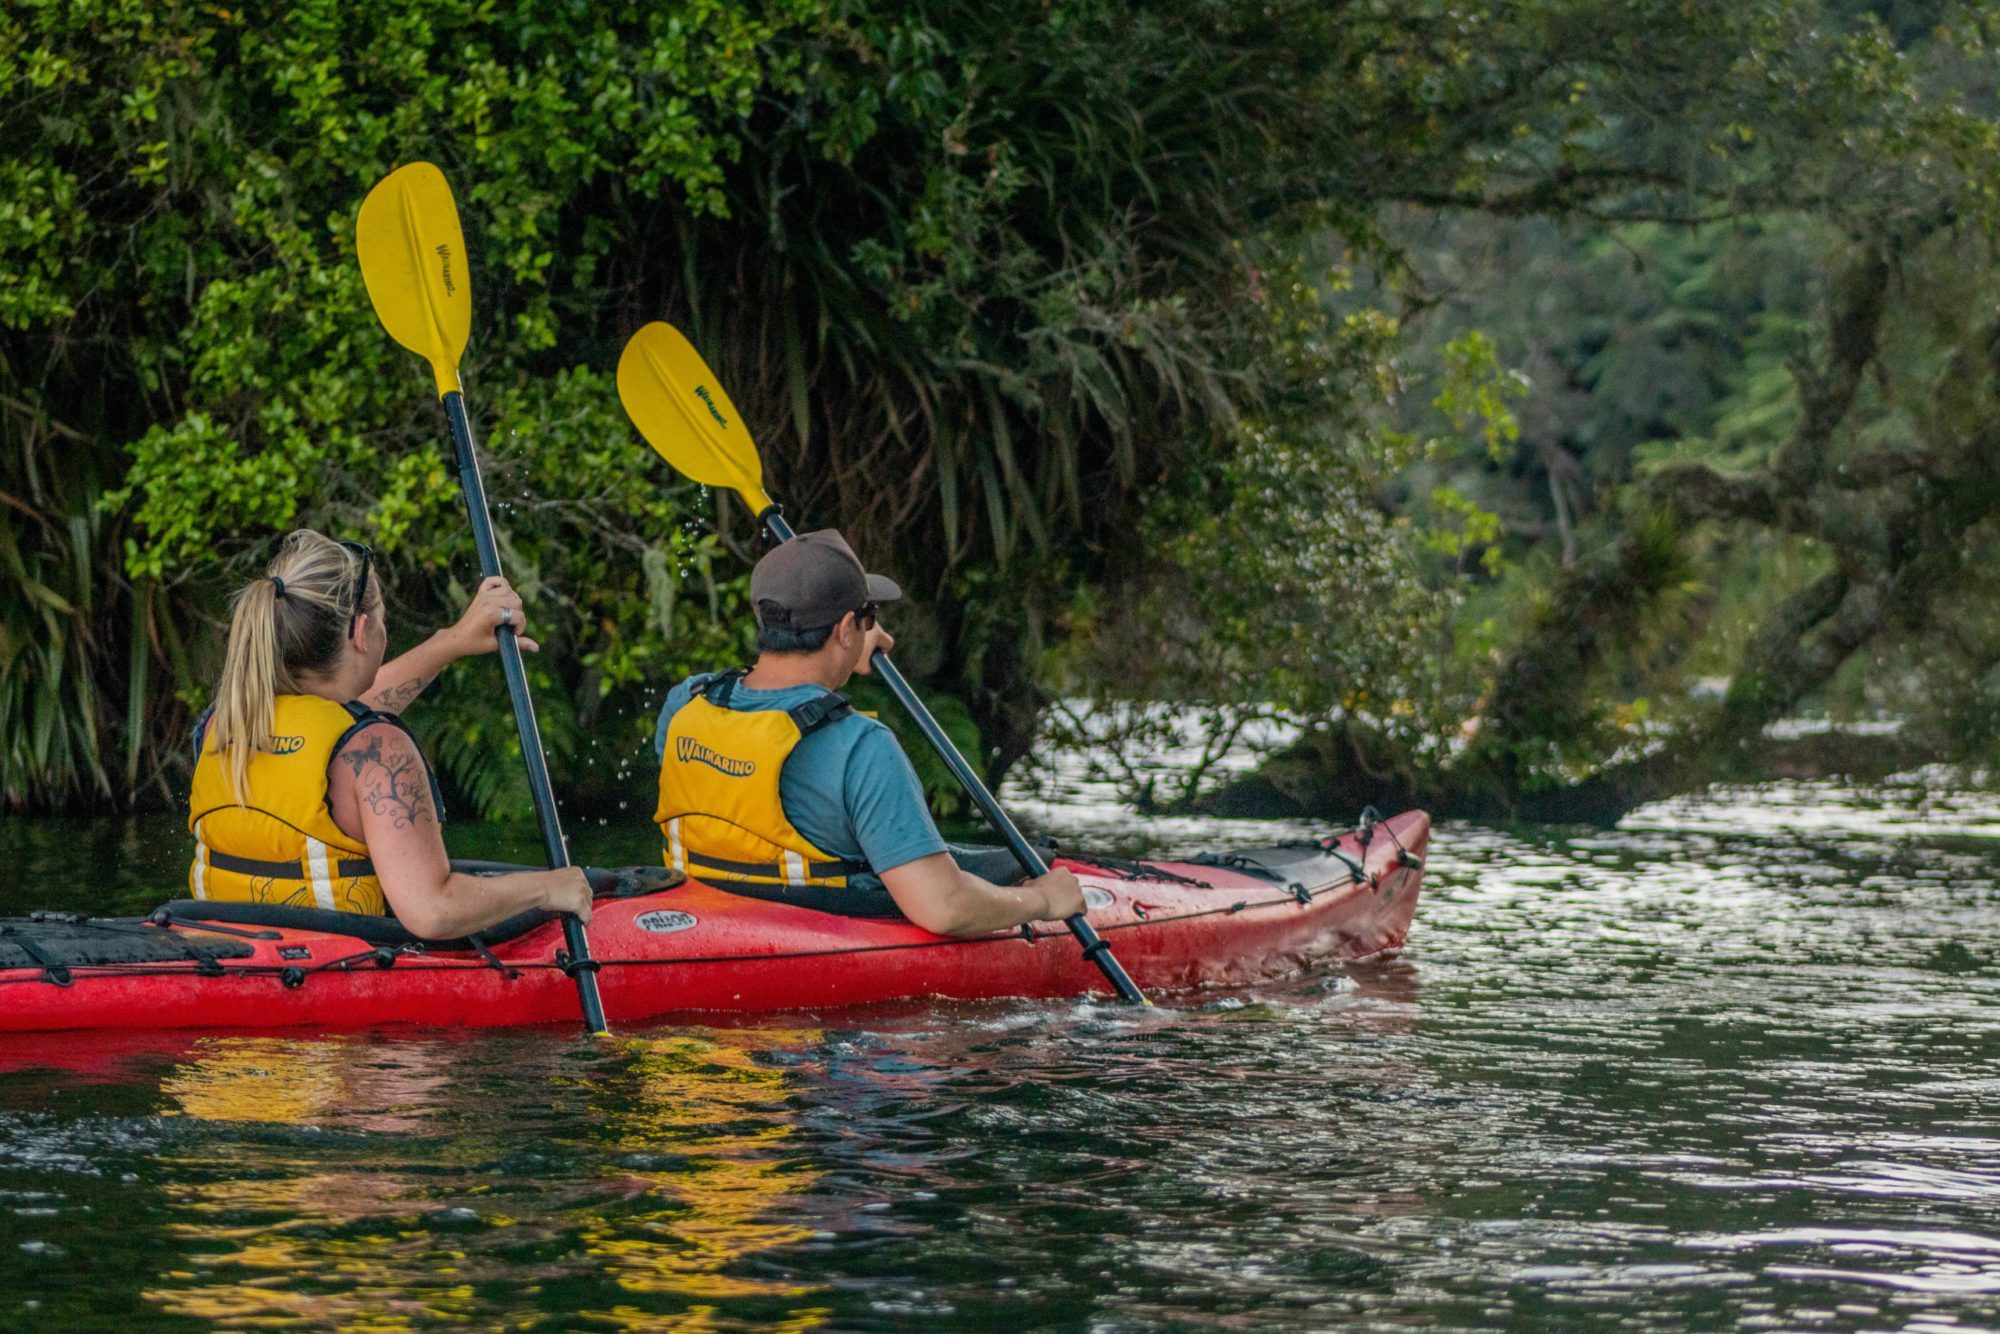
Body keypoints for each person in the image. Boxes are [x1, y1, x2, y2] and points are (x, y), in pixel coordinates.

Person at [653, 529, 1084, 936]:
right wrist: (1041, 902)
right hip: (815, 943)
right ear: (844, 629)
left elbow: (759, 726)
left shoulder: (687, 703)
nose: (881, 633)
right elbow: (943, 907)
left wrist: (846, 649)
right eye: (868, 617)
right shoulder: (861, 746)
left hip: (704, 918)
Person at [187, 529, 593, 938]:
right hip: (336, 975)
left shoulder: (226, 722)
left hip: (230, 955)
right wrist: (550, 887)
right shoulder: (376, 752)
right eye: (382, 617)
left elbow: (338, 720)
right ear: (362, 632)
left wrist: (451, 642)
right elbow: (432, 910)